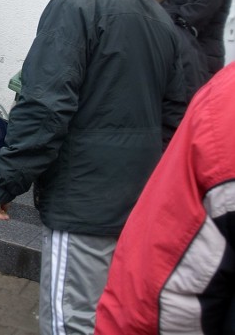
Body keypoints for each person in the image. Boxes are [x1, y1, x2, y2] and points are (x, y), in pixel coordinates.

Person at [0, 0, 186, 335]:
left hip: (83, 204)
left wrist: (5, 185)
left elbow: (44, 106)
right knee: (114, 314)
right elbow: (175, 119)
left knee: (71, 320)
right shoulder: (160, 18)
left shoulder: (75, 1)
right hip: (139, 204)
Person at [95, 61, 235, 335]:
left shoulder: (225, 105)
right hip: (143, 173)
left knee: (69, 305)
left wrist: (7, 183)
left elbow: (158, 298)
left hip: (96, 186)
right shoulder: (172, 32)